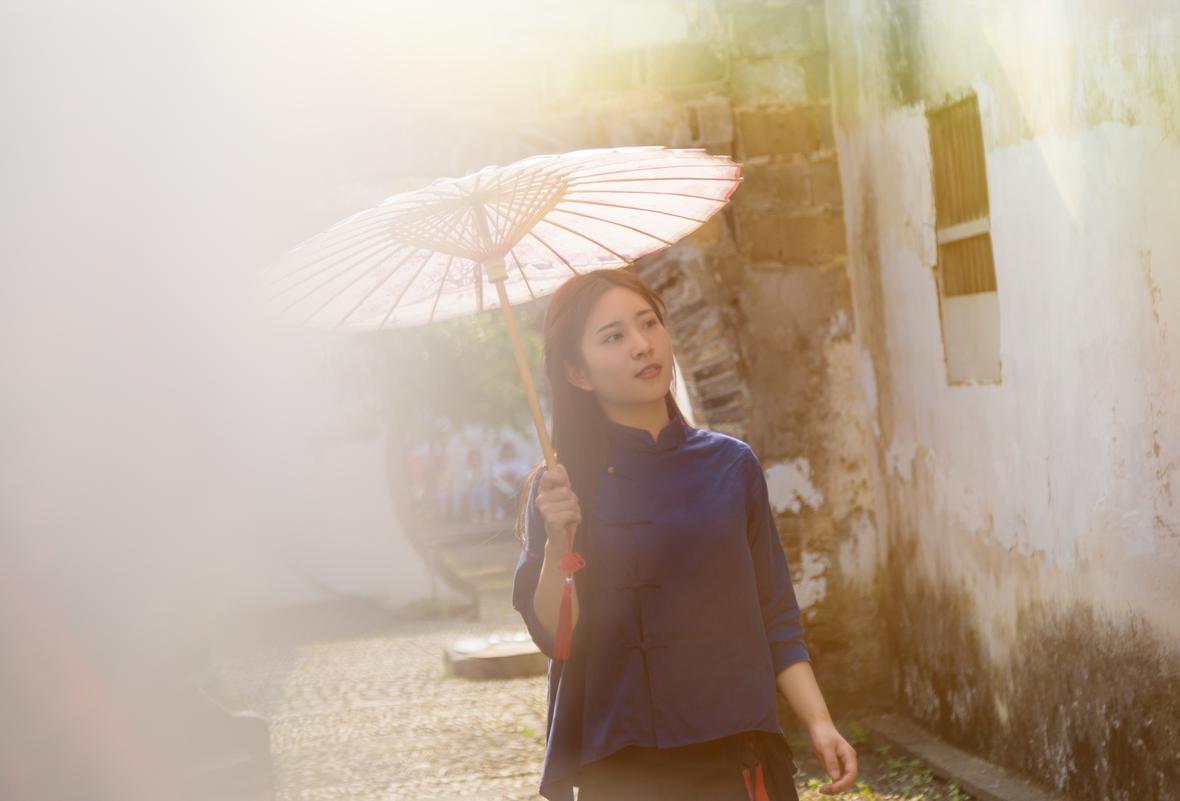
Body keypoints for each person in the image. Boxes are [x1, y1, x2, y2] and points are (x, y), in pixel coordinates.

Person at [511, 268, 858, 801]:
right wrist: (561, 542)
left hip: (736, 753)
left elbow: (775, 611)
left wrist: (819, 722)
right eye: (614, 336)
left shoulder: (731, 464)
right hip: (624, 768)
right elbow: (557, 638)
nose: (642, 344)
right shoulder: (561, 487)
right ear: (578, 373)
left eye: (648, 323)